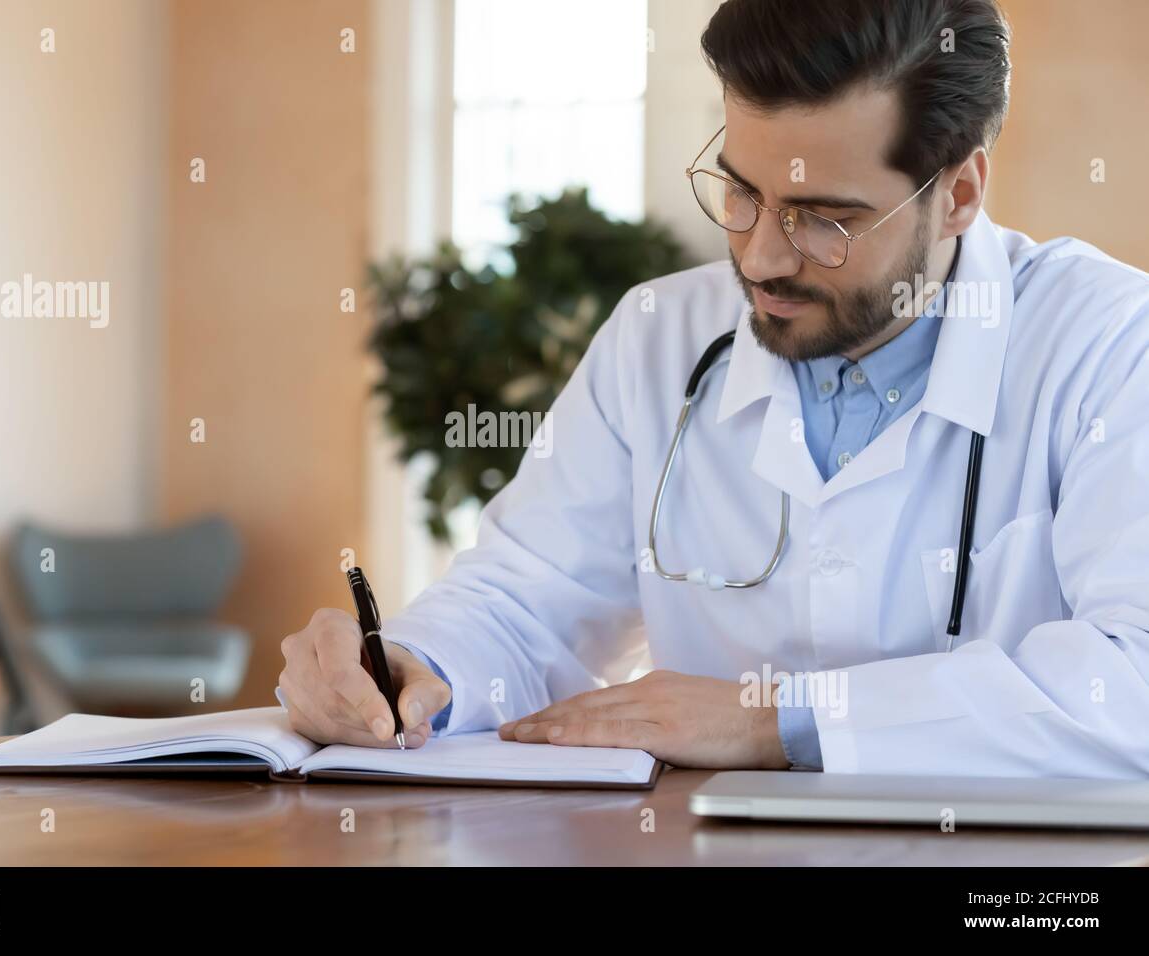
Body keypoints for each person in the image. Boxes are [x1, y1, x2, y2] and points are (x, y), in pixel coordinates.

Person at [278, 0, 1149, 777]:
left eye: (825, 219)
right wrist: (418, 669)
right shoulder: (657, 336)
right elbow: (524, 600)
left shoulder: (1108, 345)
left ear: (957, 192)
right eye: (741, 191)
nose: (761, 257)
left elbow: (1135, 683)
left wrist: (781, 719)